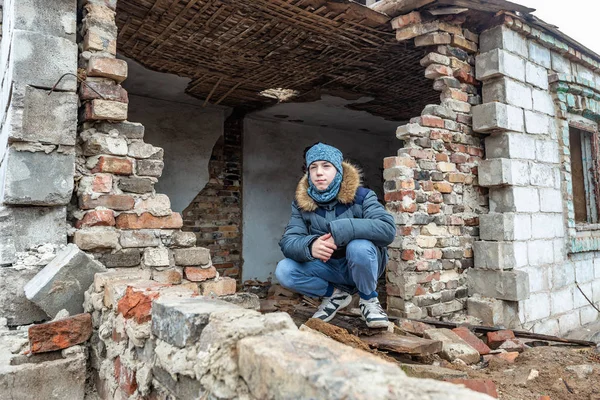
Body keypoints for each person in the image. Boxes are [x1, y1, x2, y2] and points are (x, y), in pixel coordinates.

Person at [275, 143, 396, 328]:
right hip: (328, 267)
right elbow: (289, 241)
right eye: (313, 167)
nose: (319, 172)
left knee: (359, 247)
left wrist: (341, 230)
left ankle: (369, 300)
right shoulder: (301, 204)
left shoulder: (363, 196)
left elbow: (387, 230)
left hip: (361, 264)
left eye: (326, 166)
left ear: (338, 169)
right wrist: (310, 245)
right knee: (284, 270)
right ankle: (334, 295)